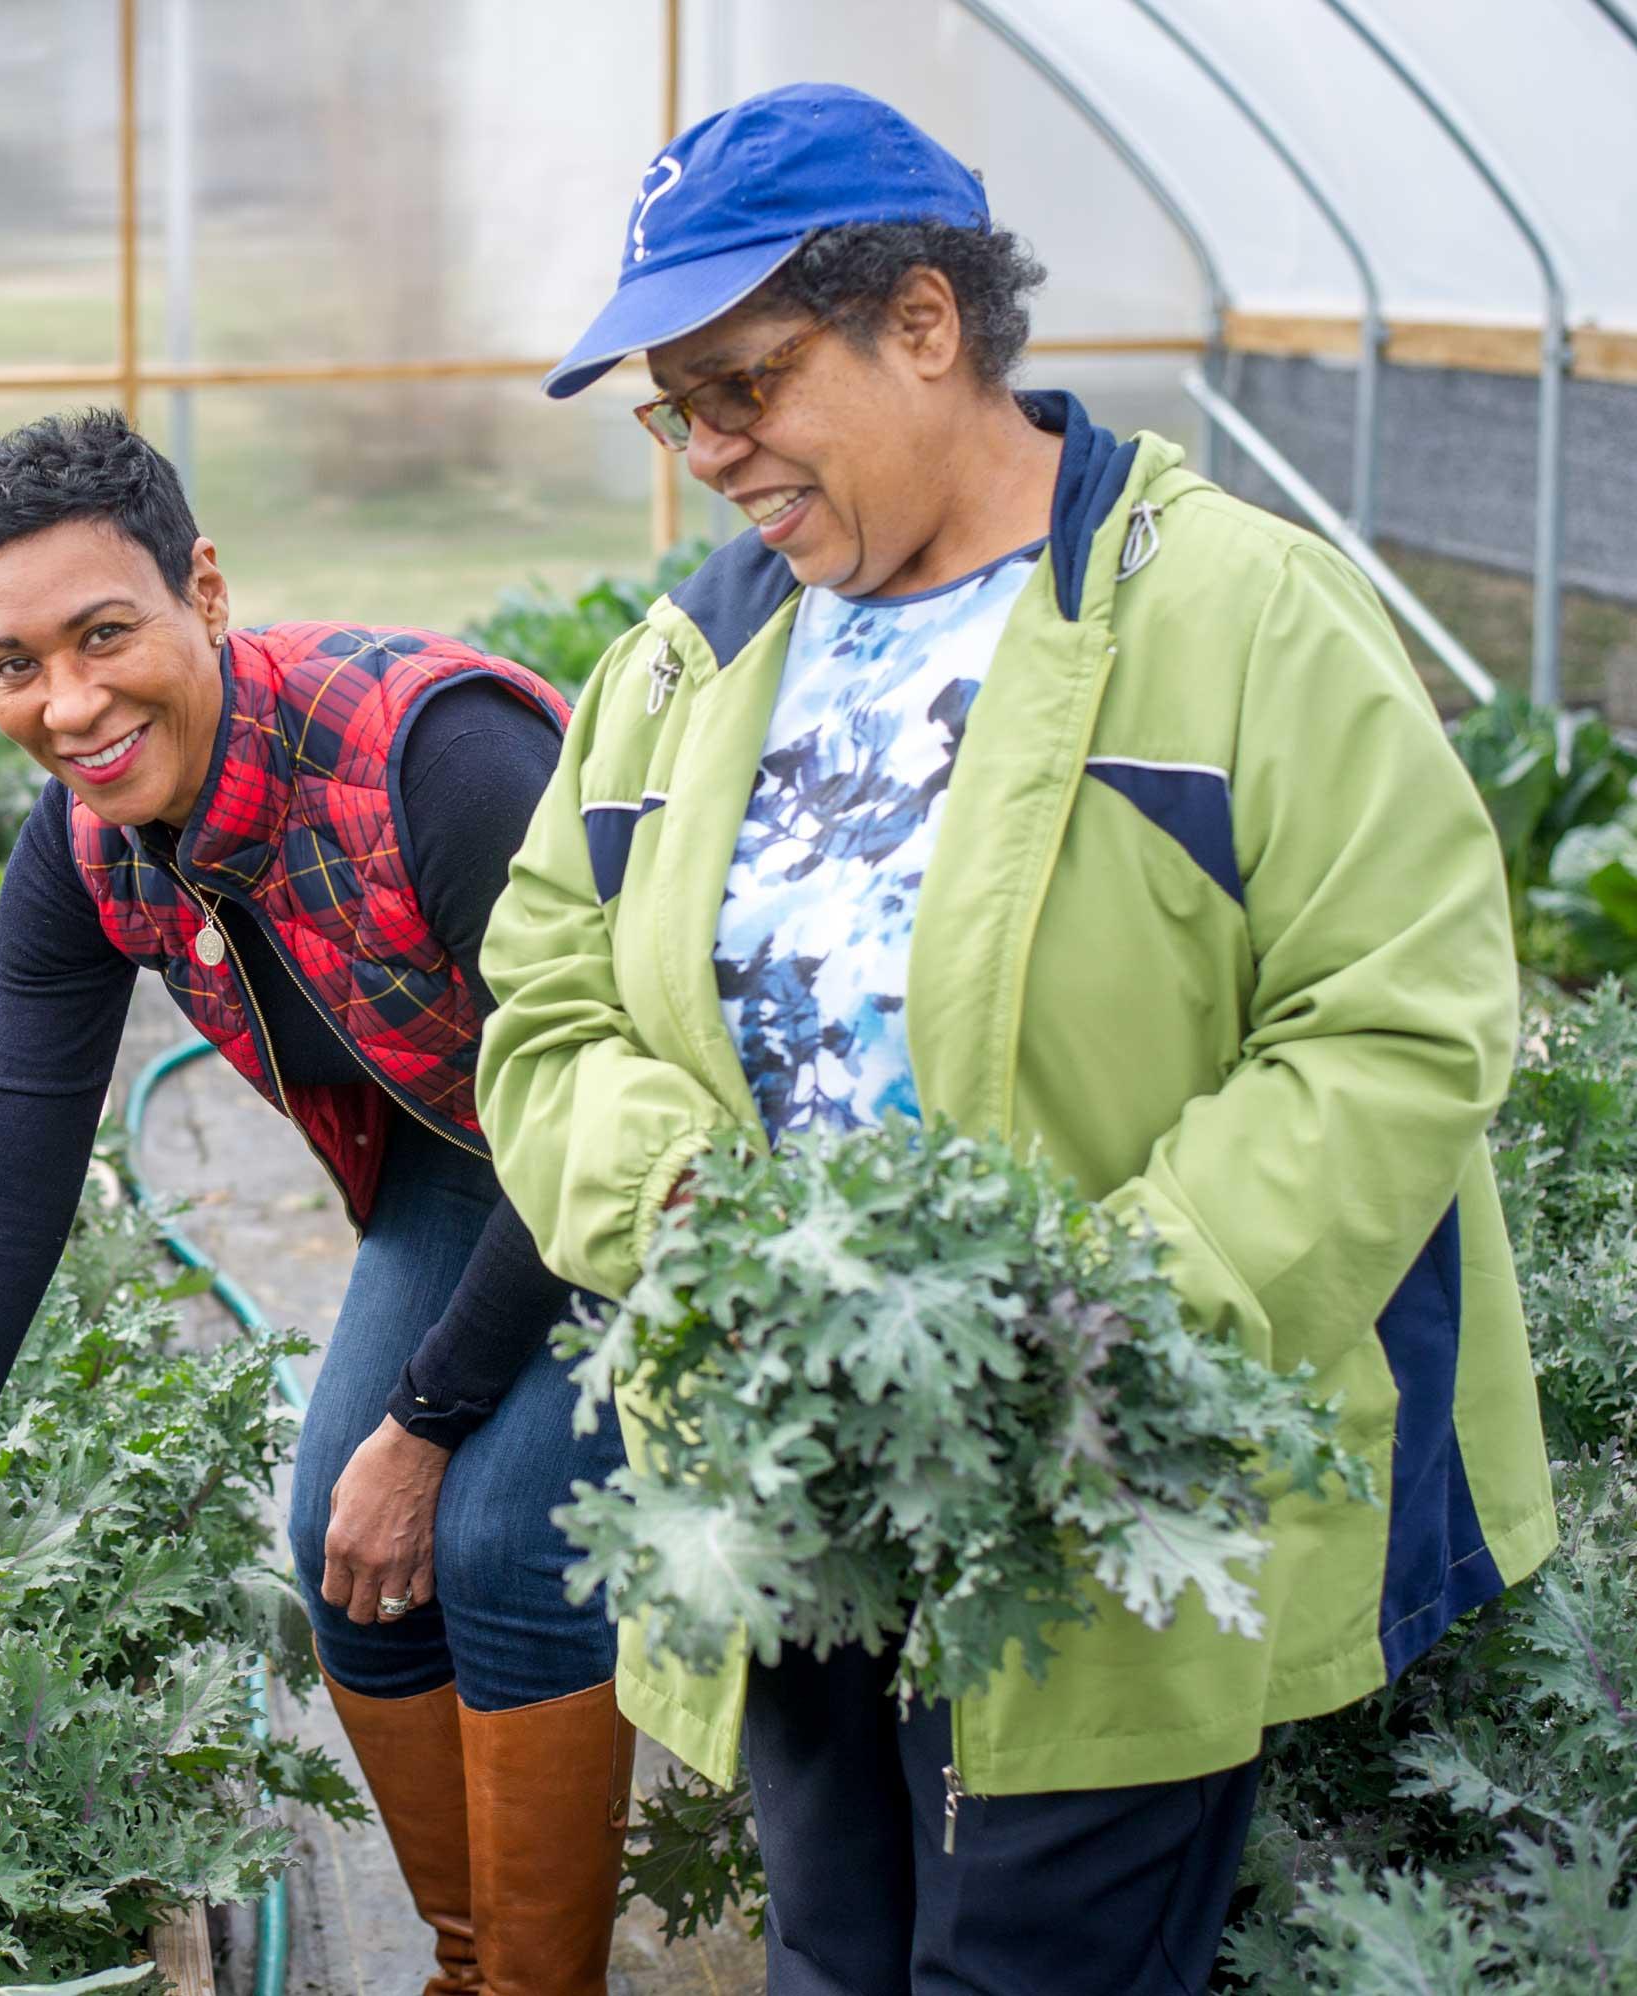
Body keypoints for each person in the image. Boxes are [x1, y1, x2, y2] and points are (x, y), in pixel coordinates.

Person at [478, 83, 1557, 1994]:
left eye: (743, 385)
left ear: (924, 321)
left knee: (1033, 1962)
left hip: (1100, 1476)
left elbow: (1396, 1017)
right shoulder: (685, 664)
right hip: (790, 1474)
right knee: (836, 1952)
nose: (709, 453)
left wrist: (1102, 1318)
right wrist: (681, 1199)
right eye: (677, 408)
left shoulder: (1233, 613)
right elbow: (548, 1008)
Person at [0, 409, 636, 1990]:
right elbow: (10, 1179)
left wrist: (428, 1422)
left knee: (497, 1529)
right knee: (342, 1529)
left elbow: (603, 1113)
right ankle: (472, 1962)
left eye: (104, 635)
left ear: (203, 591)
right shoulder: (87, 851)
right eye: (15, 664)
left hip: (654, 1145)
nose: (69, 705)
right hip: (471, 1148)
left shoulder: (439, 759)